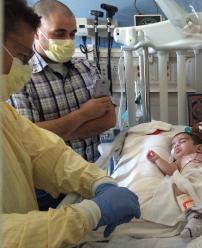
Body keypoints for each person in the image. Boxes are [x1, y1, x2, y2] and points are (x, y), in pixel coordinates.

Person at [0, 0, 140, 247]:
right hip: (44, 197)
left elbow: (44, 149)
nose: (23, 67)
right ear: (38, 34)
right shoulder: (24, 82)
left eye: (73, 34)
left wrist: (98, 181)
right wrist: (87, 215)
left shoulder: (3, 114)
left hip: (78, 173)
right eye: (22, 56)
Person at [8, 0, 116, 209]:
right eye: (59, 33)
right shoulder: (19, 76)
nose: (68, 40)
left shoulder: (86, 67)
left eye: (72, 34)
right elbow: (27, 139)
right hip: (46, 189)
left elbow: (109, 119)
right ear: (36, 32)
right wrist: (83, 115)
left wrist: (53, 131)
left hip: (90, 175)